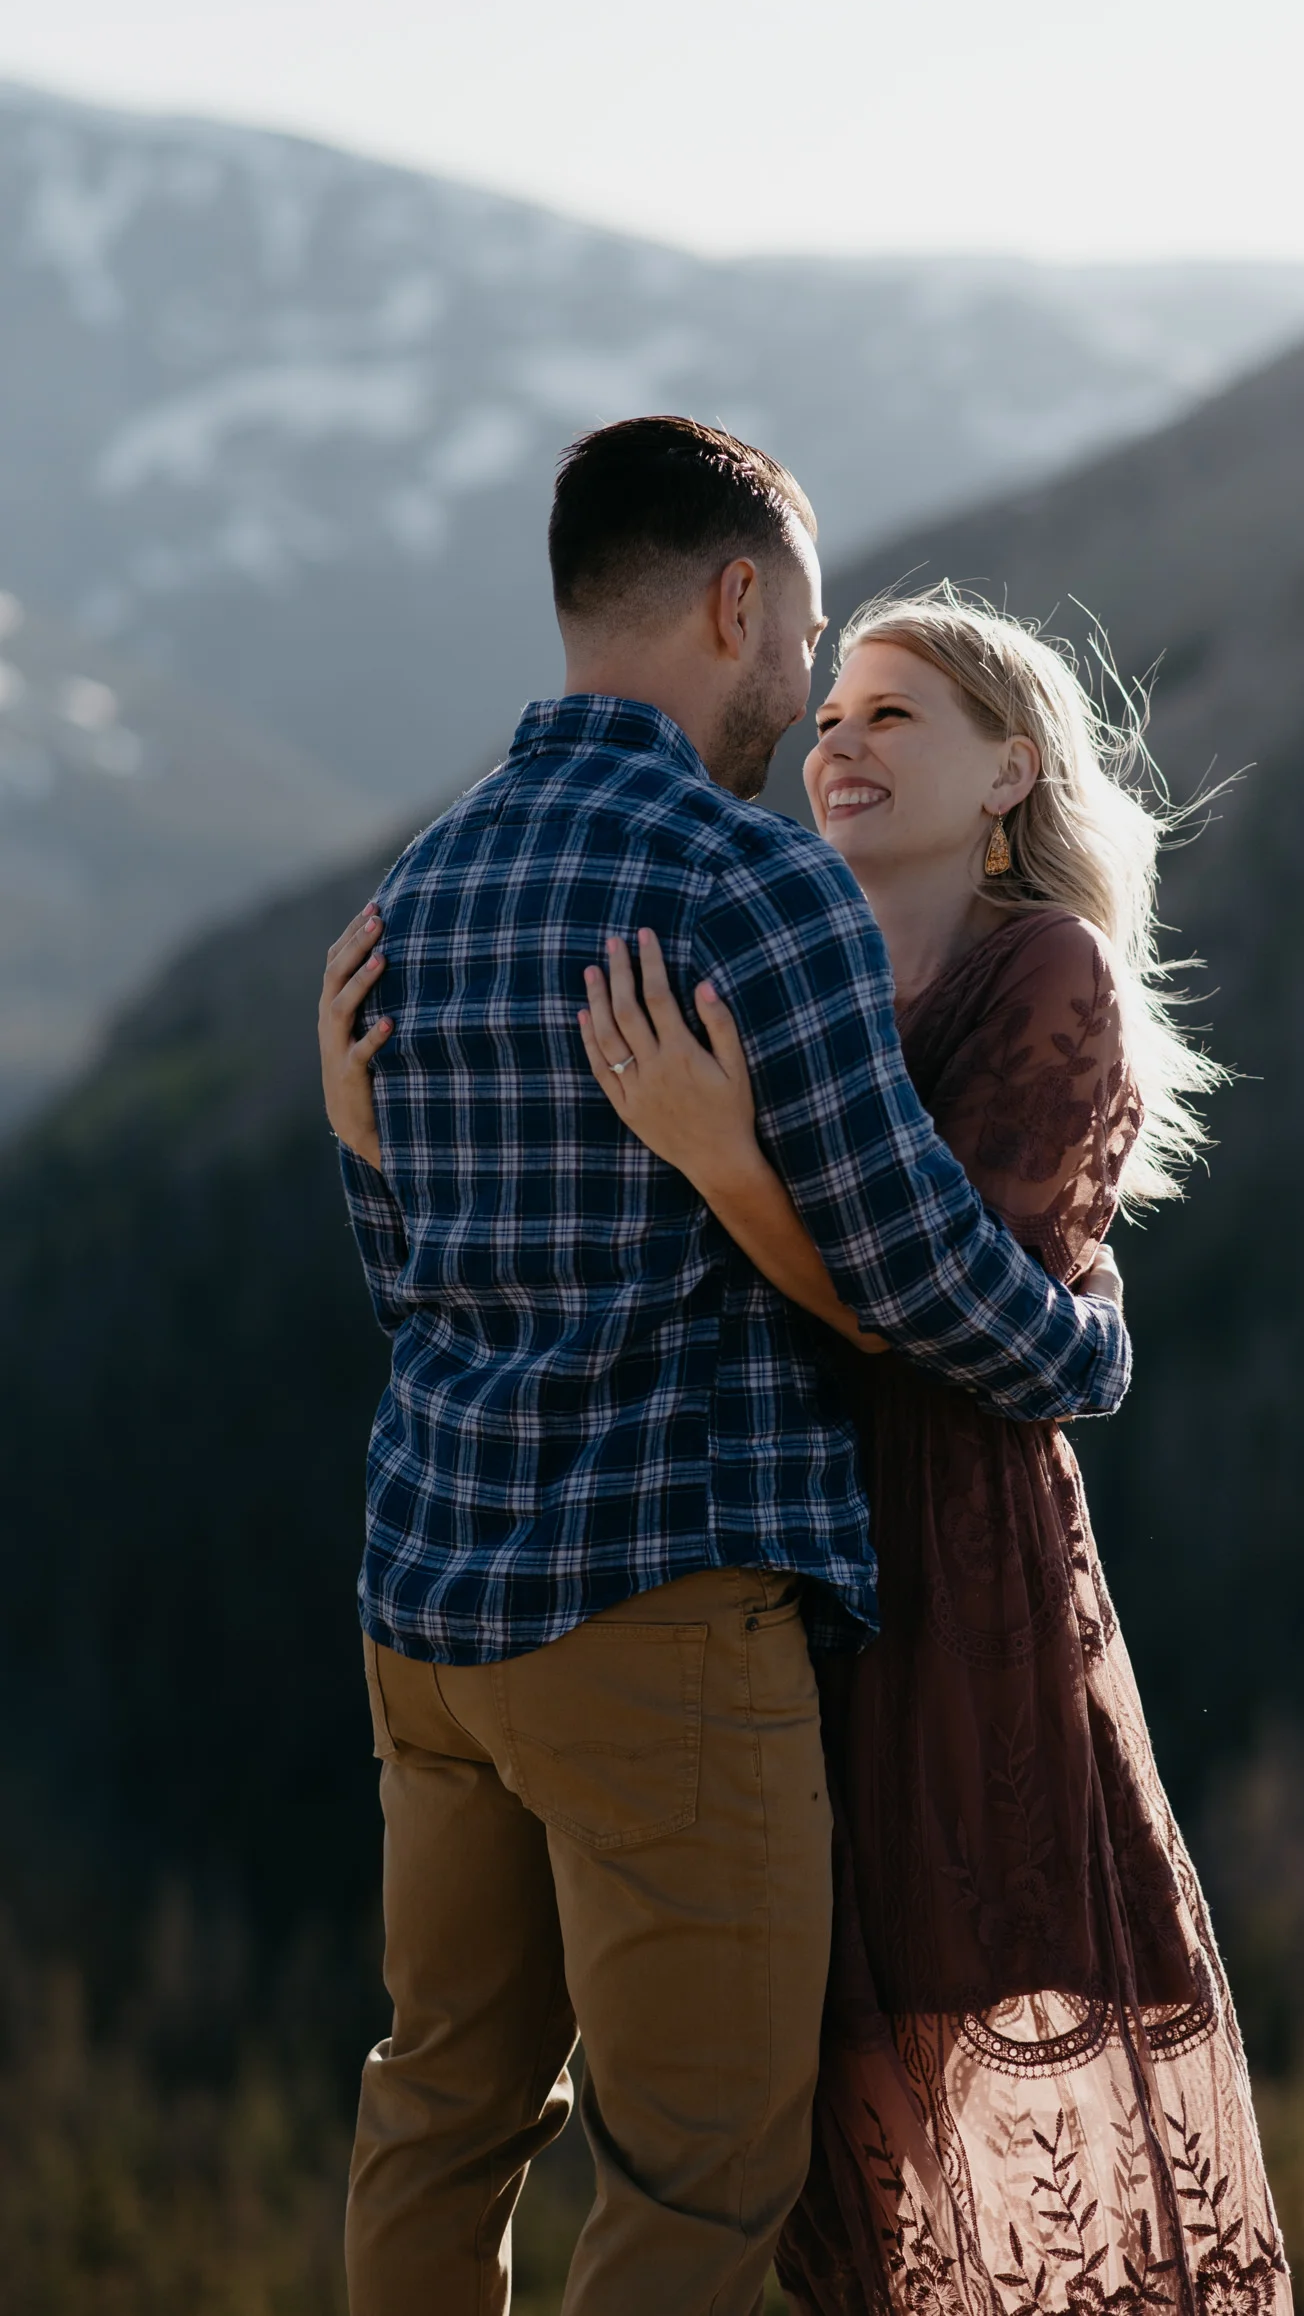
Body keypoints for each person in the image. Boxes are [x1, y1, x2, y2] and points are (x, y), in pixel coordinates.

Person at [316, 418, 1132, 2316]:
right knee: (697, 2178)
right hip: (656, 1617)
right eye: (809, 632)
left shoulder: (422, 891)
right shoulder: (751, 890)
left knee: (438, 2115)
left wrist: (355, 1134)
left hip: (427, 1612)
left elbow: (416, 1282)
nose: (808, 692)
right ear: (736, 600)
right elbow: (916, 1270)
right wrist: (1084, 1347)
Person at [556, 589, 1292, 2315]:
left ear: (1014, 771)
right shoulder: (800, 957)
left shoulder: (1044, 969)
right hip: (764, 1566)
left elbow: (939, 1317)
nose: (839, 741)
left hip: (950, 1567)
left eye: (896, 716)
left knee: (951, 2046)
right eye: (831, 716)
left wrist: (729, 1163)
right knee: (811, 2102)